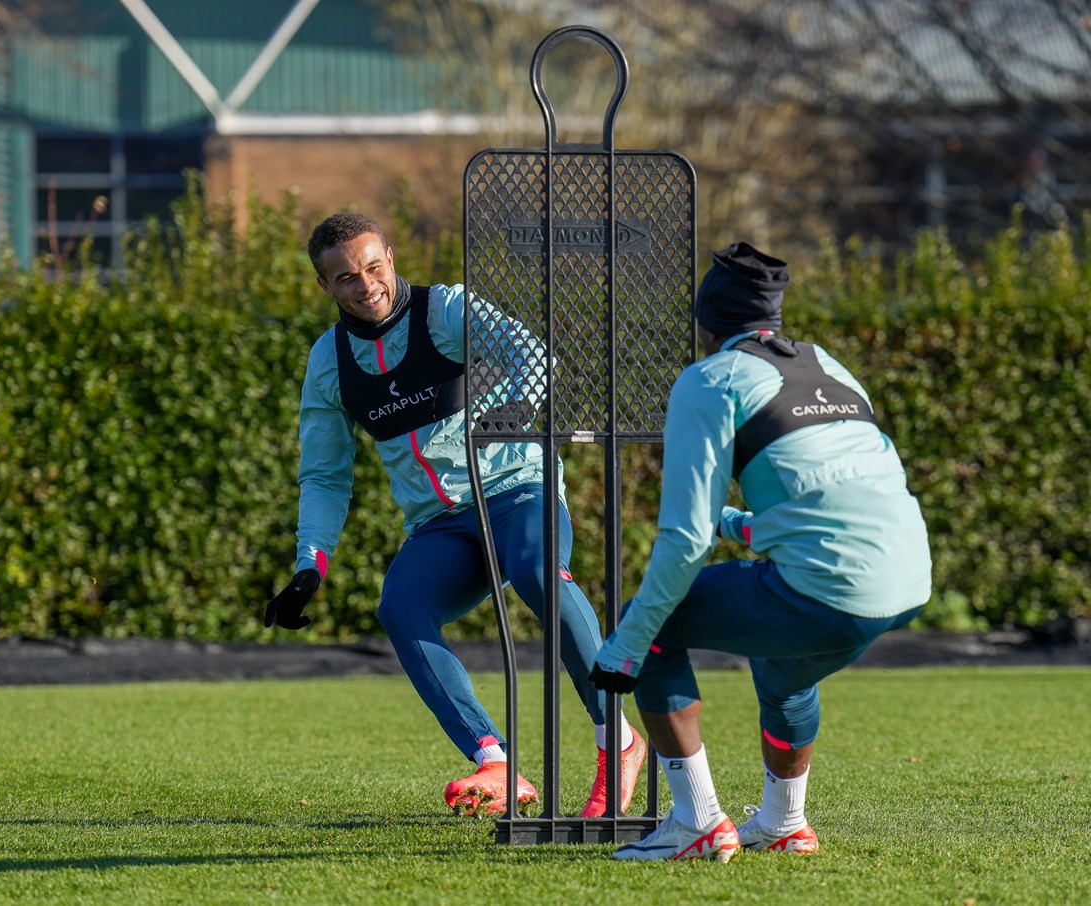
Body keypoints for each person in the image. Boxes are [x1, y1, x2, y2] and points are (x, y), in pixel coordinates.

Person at [266, 211, 645, 819]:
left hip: (519, 488)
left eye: (371, 267)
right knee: (400, 608)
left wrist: (510, 413)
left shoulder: (446, 310)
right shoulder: (329, 361)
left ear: (390, 256)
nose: (365, 287)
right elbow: (325, 477)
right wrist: (310, 563)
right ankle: (494, 761)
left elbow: (535, 359)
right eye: (344, 279)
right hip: (441, 524)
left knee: (539, 573)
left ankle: (618, 741)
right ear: (324, 286)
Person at [588, 241, 932, 861]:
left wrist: (628, 642)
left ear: (705, 320)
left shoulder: (710, 378)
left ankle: (696, 822)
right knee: (784, 672)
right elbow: (837, 497)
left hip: (828, 587)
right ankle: (783, 824)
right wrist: (744, 528)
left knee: (654, 627)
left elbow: (684, 539)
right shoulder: (828, 365)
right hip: (905, 582)